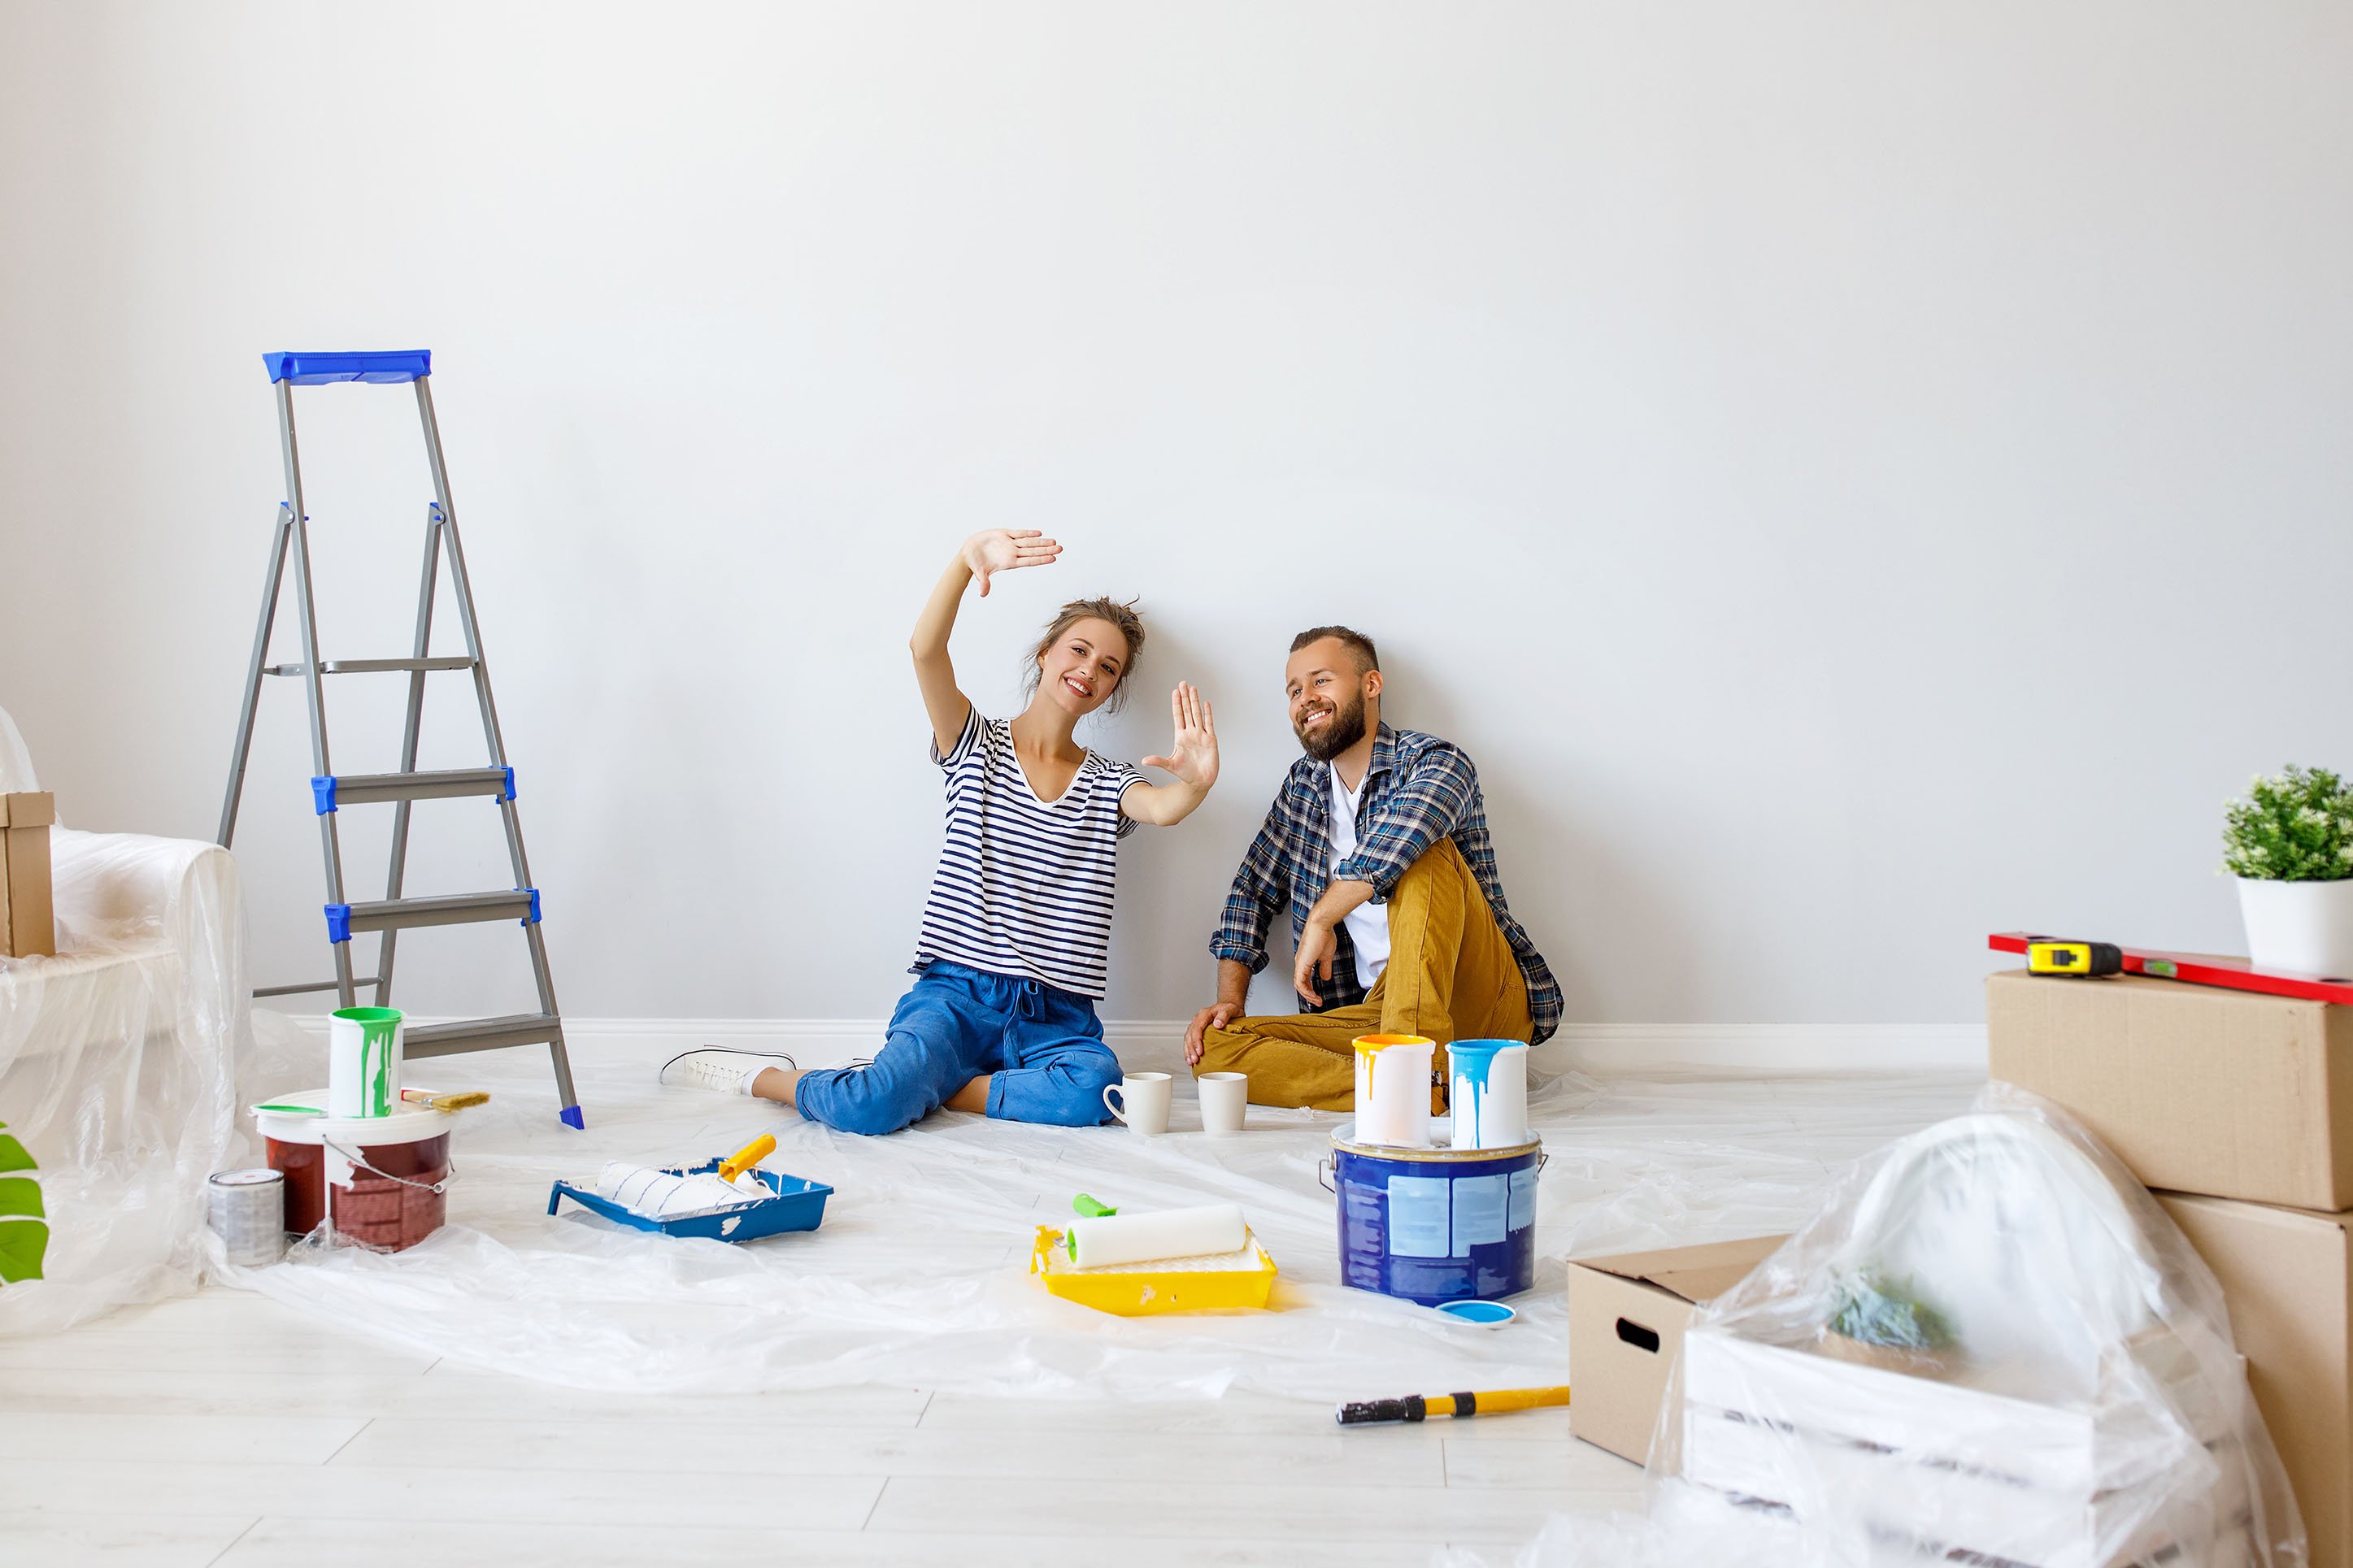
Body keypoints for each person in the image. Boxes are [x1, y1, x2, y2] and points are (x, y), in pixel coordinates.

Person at [662, 529, 1219, 1133]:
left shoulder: (1106, 780)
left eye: (1107, 667)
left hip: (1056, 1017)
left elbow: (1162, 808)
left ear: (1112, 689)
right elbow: (926, 652)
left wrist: (1195, 783)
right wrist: (963, 564)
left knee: (1096, 1090)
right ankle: (766, 1077)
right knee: (870, 1108)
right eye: (1078, 650)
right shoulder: (977, 742)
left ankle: (932, 1086)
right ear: (1045, 653)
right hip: (955, 997)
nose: (1089, 670)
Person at [1186, 626, 1559, 1110]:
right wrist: (1230, 1002)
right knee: (1213, 1052)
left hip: (1479, 1000)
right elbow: (1251, 890)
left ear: (1371, 685)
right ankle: (1414, 1091)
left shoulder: (1433, 760)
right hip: (1374, 1012)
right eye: (1294, 690)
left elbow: (1406, 833)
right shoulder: (1303, 786)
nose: (1306, 699)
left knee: (1427, 853)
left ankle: (1410, 1071)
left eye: (1321, 681)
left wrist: (1322, 916)